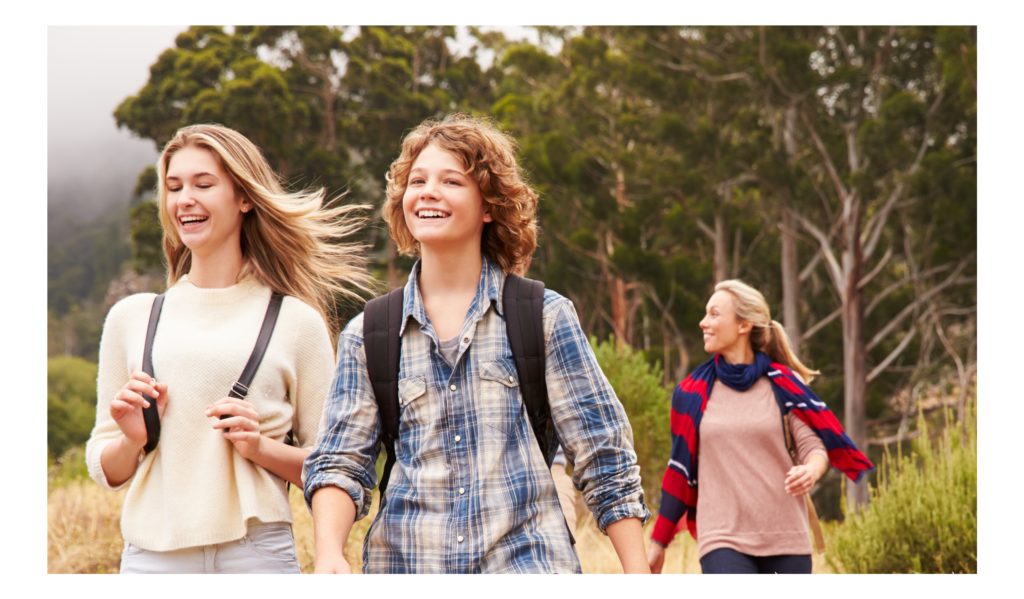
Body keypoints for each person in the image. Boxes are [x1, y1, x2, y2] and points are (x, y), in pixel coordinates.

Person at [304, 114, 650, 574]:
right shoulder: (369, 334)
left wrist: (638, 573)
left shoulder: (543, 316)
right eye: (417, 180)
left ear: (489, 205)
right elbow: (340, 462)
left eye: (451, 181)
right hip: (407, 565)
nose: (428, 191)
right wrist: (329, 552)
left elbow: (604, 454)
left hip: (526, 563)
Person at [84, 123, 374, 573]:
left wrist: (260, 448)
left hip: (255, 554)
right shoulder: (132, 318)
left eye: (203, 184)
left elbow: (333, 468)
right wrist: (132, 440)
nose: (184, 200)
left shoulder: (296, 321)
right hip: (151, 560)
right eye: (174, 187)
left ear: (243, 198)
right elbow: (106, 468)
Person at [646, 280, 874, 574]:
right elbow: (679, 470)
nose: (703, 323)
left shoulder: (784, 383)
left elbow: (812, 447)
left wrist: (811, 471)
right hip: (721, 537)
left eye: (714, 314)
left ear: (743, 325)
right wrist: (658, 543)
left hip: (787, 537)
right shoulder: (691, 393)